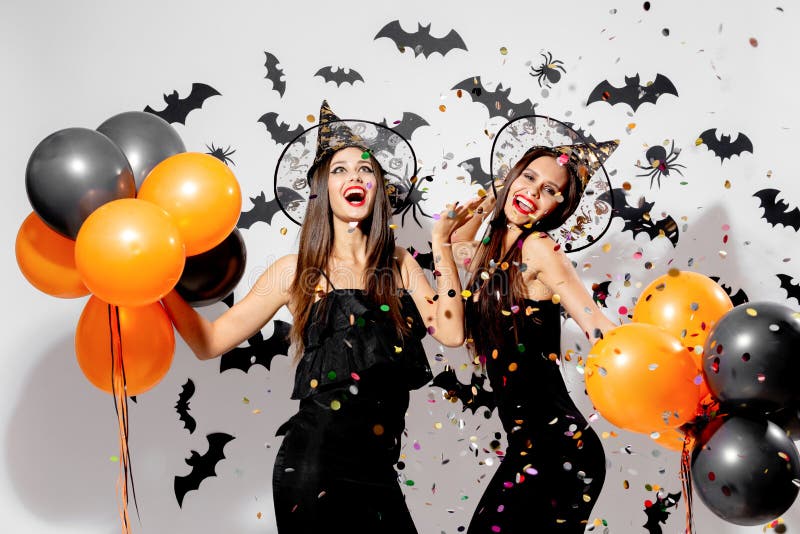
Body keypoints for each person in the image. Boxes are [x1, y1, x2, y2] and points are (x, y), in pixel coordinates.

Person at [162, 101, 480, 533]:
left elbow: (452, 331)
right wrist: (158, 283)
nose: (355, 177)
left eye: (366, 170)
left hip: (379, 469)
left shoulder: (400, 264)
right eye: (340, 170)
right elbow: (209, 342)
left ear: (379, 189)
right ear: (322, 190)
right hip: (314, 467)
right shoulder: (294, 272)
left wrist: (442, 246)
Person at [451, 115, 620, 533]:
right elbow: (456, 244)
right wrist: (498, 193)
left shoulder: (539, 248)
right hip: (529, 446)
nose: (532, 193)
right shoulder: (494, 248)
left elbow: (594, 321)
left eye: (549, 190)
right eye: (527, 177)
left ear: (559, 208)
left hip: (557, 447)